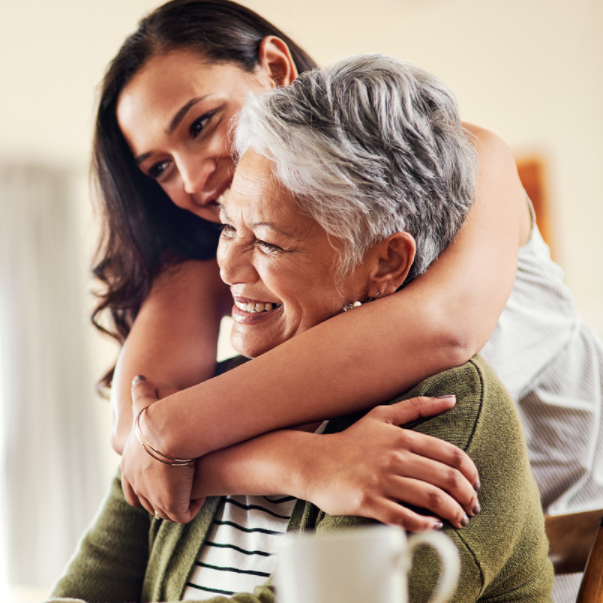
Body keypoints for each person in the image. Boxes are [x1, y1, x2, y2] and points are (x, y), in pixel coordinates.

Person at [95, 1, 601, 600]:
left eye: (201, 124)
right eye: (159, 168)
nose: (193, 178)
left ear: (275, 68)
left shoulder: (462, 161)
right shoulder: (229, 243)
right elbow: (139, 431)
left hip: (568, 531)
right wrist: (299, 464)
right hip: (414, 526)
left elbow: (440, 330)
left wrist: (174, 433)